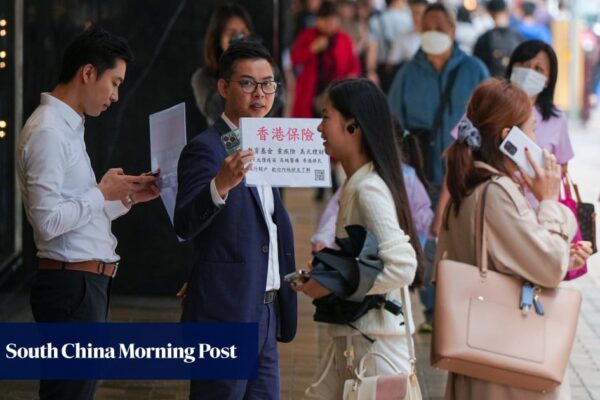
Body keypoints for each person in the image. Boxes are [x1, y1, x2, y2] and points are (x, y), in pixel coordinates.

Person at [16, 28, 159, 400]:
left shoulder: (68, 126)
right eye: (114, 82)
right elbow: (47, 223)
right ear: (88, 72)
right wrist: (100, 193)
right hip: (71, 289)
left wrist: (126, 198)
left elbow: (75, 215)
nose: (115, 96)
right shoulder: (48, 131)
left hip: (83, 286)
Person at [436, 78, 592, 400]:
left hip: (479, 353)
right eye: (531, 130)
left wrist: (560, 257)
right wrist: (549, 202)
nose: (538, 141)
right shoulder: (496, 192)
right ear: (511, 139)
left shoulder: (469, 186)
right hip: (509, 364)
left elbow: (512, 261)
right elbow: (547, 265)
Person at [174, 41, 297, 400]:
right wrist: (220, 185)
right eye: (247, 83)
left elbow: (265, 227)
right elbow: (184, 223)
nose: (259, 94)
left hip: (267, 309)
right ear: (224, 87)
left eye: (267, 84)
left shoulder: (267, 146)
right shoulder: (206, 148)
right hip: (225, 314)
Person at [298, 78, 423, 399]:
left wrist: (334, 282)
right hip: (366, 342)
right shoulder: (359, 183)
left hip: (374, 349)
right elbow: (365, 258)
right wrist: (327, 273)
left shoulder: (367, 189)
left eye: (326, 117)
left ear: (353, 127)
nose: (319, 128)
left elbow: (403, 266)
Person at [190, 3, 284, 126]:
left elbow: (278, 99)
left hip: (262, 135)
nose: (240, 39)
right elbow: (215, 111)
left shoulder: (265, 67)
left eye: (243, 33)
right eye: (232, 35)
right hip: (226, 140)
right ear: (218, 39)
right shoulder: (203, 77)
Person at [506, 40, 573, 178]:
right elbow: (461, 155)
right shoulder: (486, 102)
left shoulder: (557, 118)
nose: (528, 73)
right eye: (524, 64)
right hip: (491, 197)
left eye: (538, 69)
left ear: (548, 79)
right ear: (512, 66)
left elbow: (561, 169)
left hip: (535, 199)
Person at [365, 0, 413, 92]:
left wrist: (371, 71)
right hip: (406, 67)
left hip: (383, 70)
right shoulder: (410, 18)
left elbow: (373, 47)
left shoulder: (376, 19)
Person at [473, 0, 524, 77]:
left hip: (492, 83)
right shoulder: (518, 36)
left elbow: (477, 65)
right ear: (506, 11)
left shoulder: (485, 38)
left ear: (490, 13)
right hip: (513, 85)